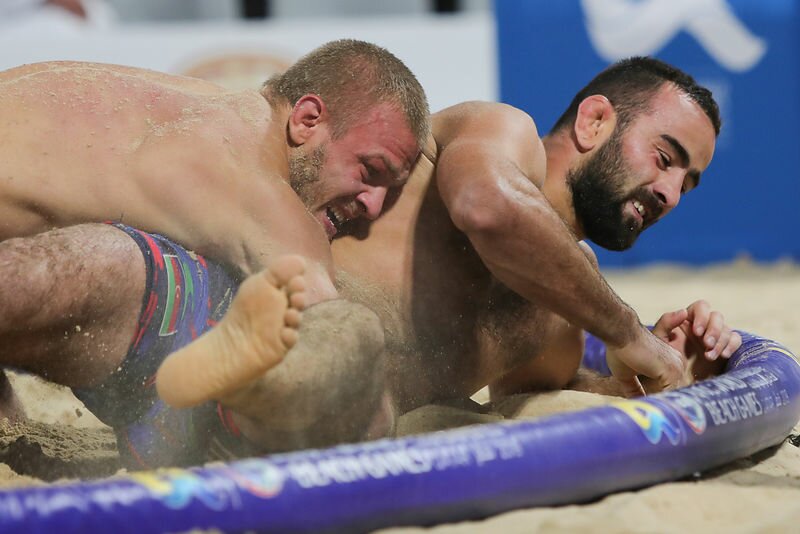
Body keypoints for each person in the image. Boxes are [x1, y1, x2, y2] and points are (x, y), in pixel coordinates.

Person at [0, 39, 429, 466]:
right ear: (307, 120)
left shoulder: (207, 109)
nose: (374, 205)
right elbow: (347, 372)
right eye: (370, 171)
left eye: (390, 190)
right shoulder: (249, 179)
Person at [330, 56, 742, 413]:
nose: (669, 195)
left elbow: (524, 406)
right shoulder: (503, 129)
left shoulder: (564, 311)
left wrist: (653, 378)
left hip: (332, 440)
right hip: (281, 353)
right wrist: (628, 333)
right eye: (664, 158)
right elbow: (487, 208)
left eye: (684, 187)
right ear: (594, 122)